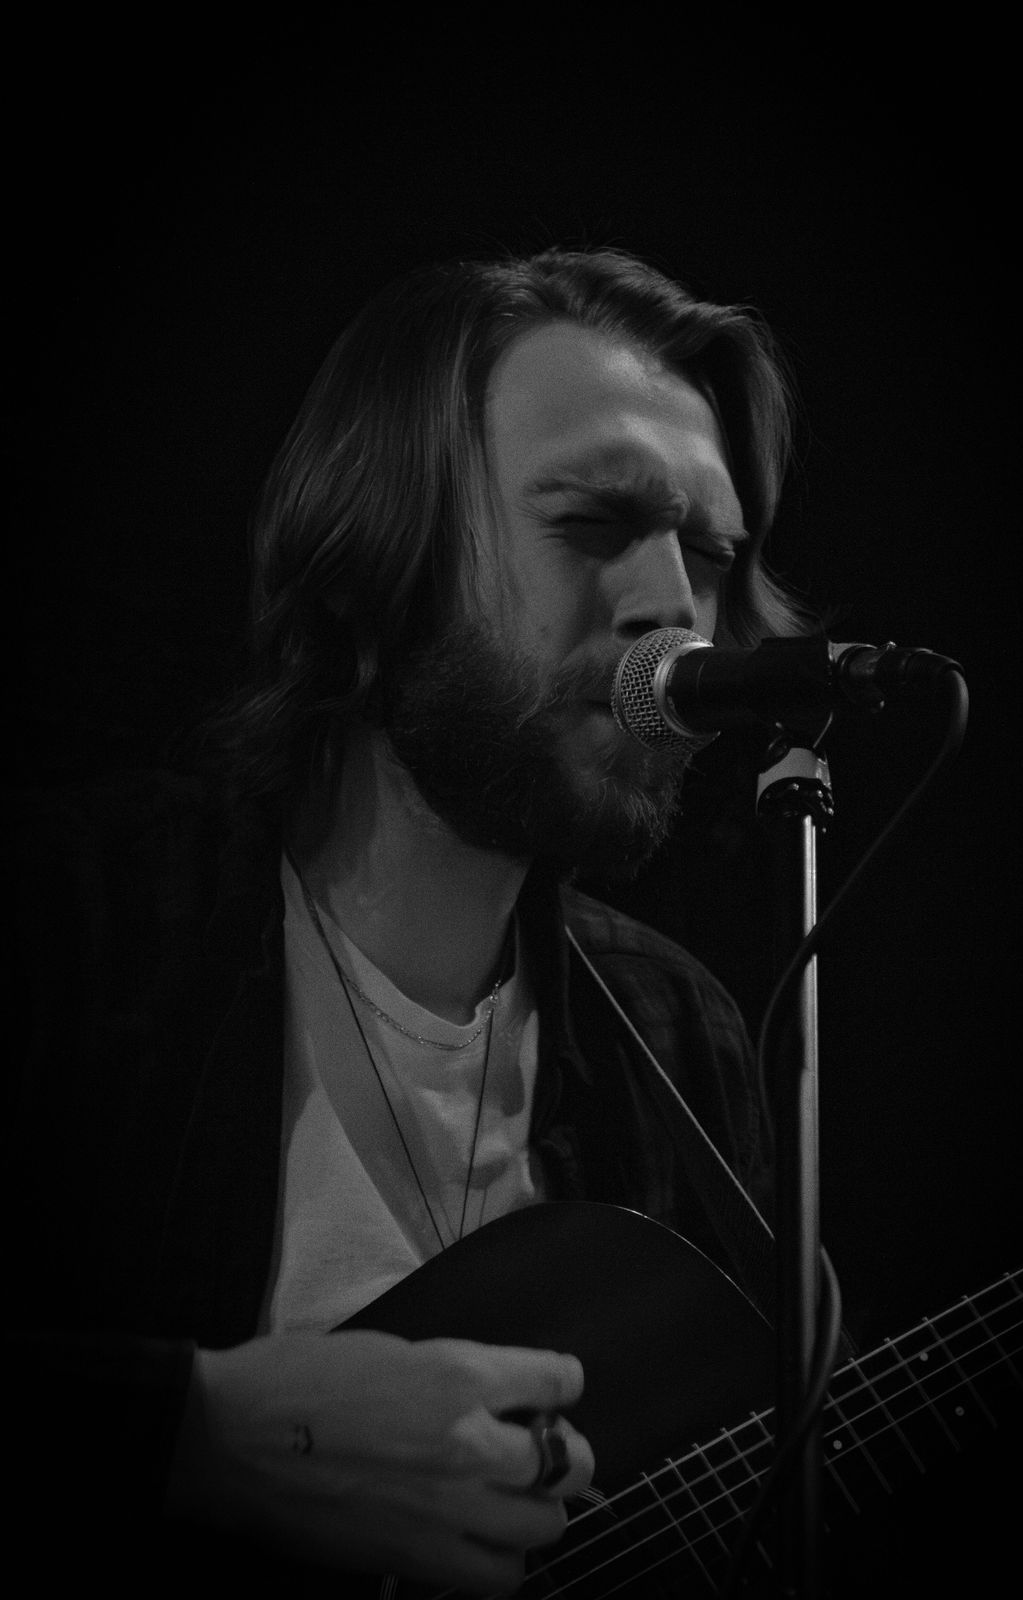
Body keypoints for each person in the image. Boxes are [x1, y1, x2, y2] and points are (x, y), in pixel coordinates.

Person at [12, 247, 809, 1595]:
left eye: (712, 554)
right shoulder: (72, 918)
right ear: (380, 558)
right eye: (594, 524)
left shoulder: (680, 1033)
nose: (676, 609)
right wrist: (193, 1432)